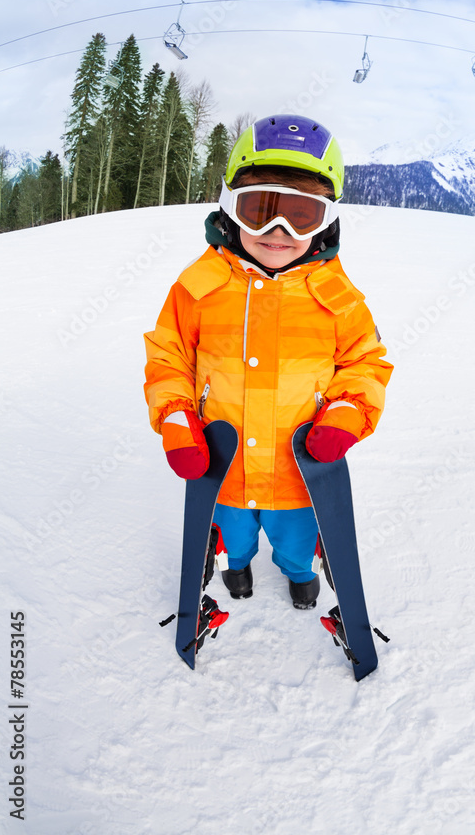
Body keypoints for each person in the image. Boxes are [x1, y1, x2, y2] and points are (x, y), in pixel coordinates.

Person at [143, 114, 393, 609]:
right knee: (233, 536)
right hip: (224, 463)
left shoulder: (338, 298)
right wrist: (176, 417)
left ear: (326, 221)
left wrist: (348, 413)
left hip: (299, 469)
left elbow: (366, 363)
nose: (278, 231)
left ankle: (299, 573)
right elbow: (168, 355)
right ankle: (237, 569)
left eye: (301, 216)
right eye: (258, 210)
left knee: (297, 541)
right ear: (229, 207)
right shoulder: (198, 287)